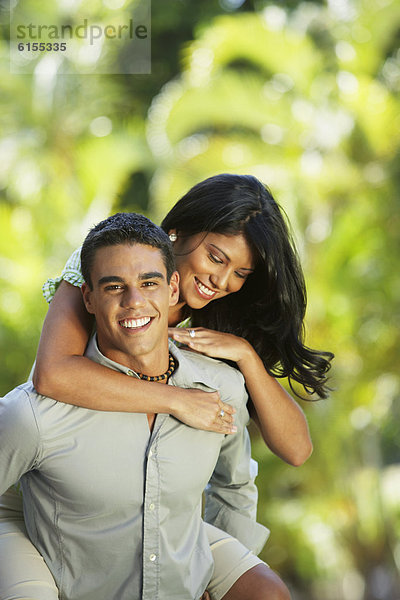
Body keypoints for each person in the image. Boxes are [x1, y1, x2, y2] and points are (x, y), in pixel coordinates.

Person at [1, 173, 333, 597]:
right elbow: (53, 375)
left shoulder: (213, 328)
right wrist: (177, 400)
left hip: (155, 508)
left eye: (240, 273)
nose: (222, 281)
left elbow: (293, 450)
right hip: (57, 498)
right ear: (176, 232)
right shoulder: (113, 264)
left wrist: (248, 357)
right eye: (216, 257)